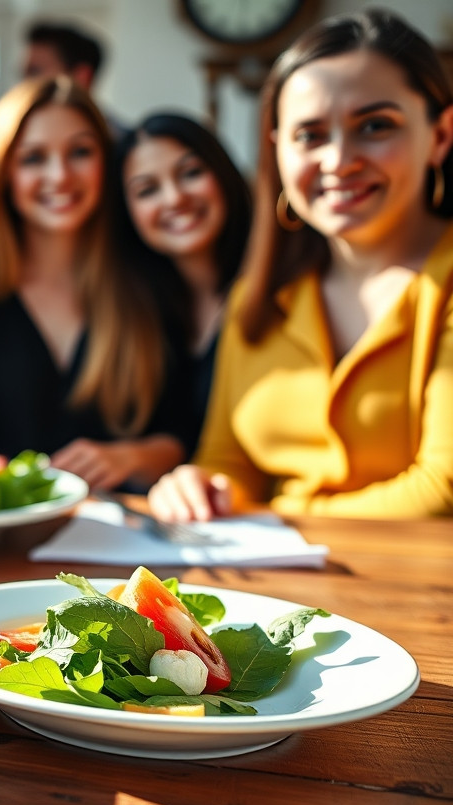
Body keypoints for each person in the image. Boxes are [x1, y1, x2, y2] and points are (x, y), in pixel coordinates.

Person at [150, 9, 453, 520]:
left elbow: (441, 492)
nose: (338, 160)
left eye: (375, 126)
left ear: (441, 136)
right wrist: (197, 487)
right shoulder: (257, 296)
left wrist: (276, 519)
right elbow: (229, 464)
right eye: (310, 135)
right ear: (279, 152)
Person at [0, 76, 190, 493]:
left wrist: (128, 457)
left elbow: (186, 434)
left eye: (80, 152)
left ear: (107, 162)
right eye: (33, 158)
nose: (59, 175)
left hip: (128, 538)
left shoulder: (150, 282)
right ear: (4, 172)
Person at [118, 113, 252, 453]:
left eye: (191, 173)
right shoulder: (137, 312)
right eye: (147, 190)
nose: (175, 198)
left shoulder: (275, 286)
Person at [0, 21, 124, 254]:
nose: (59, 176)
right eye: (33, 158)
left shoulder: (129, 153)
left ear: (81, 77)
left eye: (35, 72)